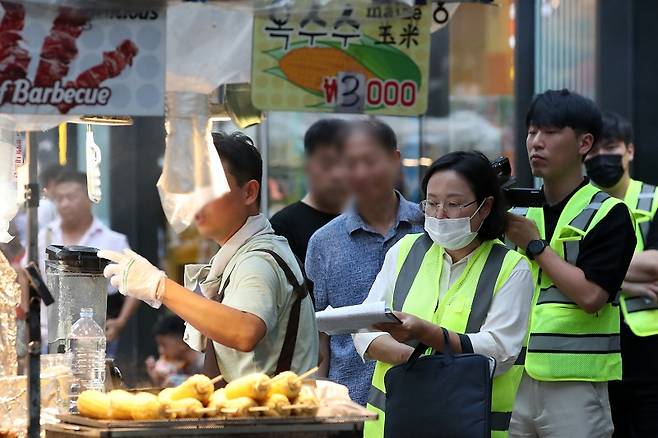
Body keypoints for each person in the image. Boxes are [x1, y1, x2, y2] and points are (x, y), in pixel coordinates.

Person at [100, 132, 318, 383]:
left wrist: (160, 287)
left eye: (210, 188)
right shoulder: (240, 254)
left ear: (249, 192)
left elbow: (245, 331)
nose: (197, 201)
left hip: (268, 417)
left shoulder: (257, 261)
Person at [353, 151, 534, 438]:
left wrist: (427, 334)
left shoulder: (511, 268)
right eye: (432, 203)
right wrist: (414, 359)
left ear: (485, 208)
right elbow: (364, 327)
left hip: (469, 425)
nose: (439, 215)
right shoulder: (405, 251)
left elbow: (499, 351)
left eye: (453, 204)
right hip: (391, 426)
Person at [507, 90, 637, 438]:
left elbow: (592, 295)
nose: (536, 142)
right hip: (511, 376)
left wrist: (535, 245)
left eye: (549, 132)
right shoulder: (518, 212)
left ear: (584, 143)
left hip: (576, 385)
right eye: (532, 131)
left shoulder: (609, 212)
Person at [305, 119, 424, 405]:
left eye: (370, 161)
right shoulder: (324, 242)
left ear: (395, 160)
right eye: (350, 164)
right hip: (348, 405)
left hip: (422, 399)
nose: (361, 173)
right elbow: (318, 335)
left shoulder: (428, 227)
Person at [584, 112, 658, 437]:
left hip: (649, 349)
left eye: (611, 147)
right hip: (597, 348)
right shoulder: (581, 205)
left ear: (630, 150)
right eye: (594, 150)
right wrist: (626, 281)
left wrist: (597, 269)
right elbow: (563, 263)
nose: (602, 157)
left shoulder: (653, 199)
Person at [35, 170, 139, 357]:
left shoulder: (112, 241)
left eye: (71, 197)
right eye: (59, 198)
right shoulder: (45, 237)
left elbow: (135, 284)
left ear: (89, 199)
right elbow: (28, 275)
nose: (64, 204)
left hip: (93, 338)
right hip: (49, 336)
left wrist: (121, 321)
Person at [271, 118, 348, 262]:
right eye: (327, 163)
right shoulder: (282, 228)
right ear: (307, 165)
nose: (337, 174)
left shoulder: (363, 222)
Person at [146, 314, 203, 388]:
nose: (161, 351)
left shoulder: (204, 363)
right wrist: (158, 381)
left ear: (183, 342)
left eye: (163, 345)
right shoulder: (179, 368)